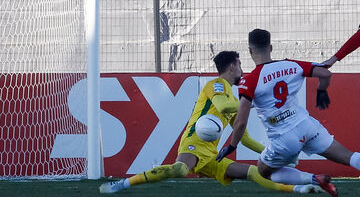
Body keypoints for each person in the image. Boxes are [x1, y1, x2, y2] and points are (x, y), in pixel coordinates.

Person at [99, 51, 320, 194]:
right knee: (180, 170)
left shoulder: (234, 98)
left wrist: (274, 155)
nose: (242, 71)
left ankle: (298, 189)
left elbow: (243, 137)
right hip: (194, 141)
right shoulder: (217, 84)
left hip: (212, 155)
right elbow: (223, 107)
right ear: (232, 66)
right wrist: (253, 104)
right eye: (240, 65)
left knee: (252, 172)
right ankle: (124, 184)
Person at [216, 29, 360, 197]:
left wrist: (232, 145)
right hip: (307, 126)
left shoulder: (250, 80)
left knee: (264, 171)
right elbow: (325, 72)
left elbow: (241, 122)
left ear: (250, 51)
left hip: (284, 139)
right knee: (349, 157)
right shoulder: (291, 64)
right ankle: (319, 179)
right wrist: (322, 90)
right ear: (270, 47)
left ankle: (314, 179)